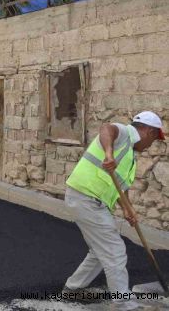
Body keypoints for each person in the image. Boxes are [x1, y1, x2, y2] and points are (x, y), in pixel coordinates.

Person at [62, 111, 165, 310]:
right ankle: (123, 303)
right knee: (115, 251)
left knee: (100, 251)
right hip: (86, 198)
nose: (152, 144)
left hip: (90, 200)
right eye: (154, 138)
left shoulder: (129, 156)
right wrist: (108, 153)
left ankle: (72, 289)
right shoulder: (127, 134)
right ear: (148, 131)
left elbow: (119, 188)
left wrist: (128, 210)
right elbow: (107, 128)